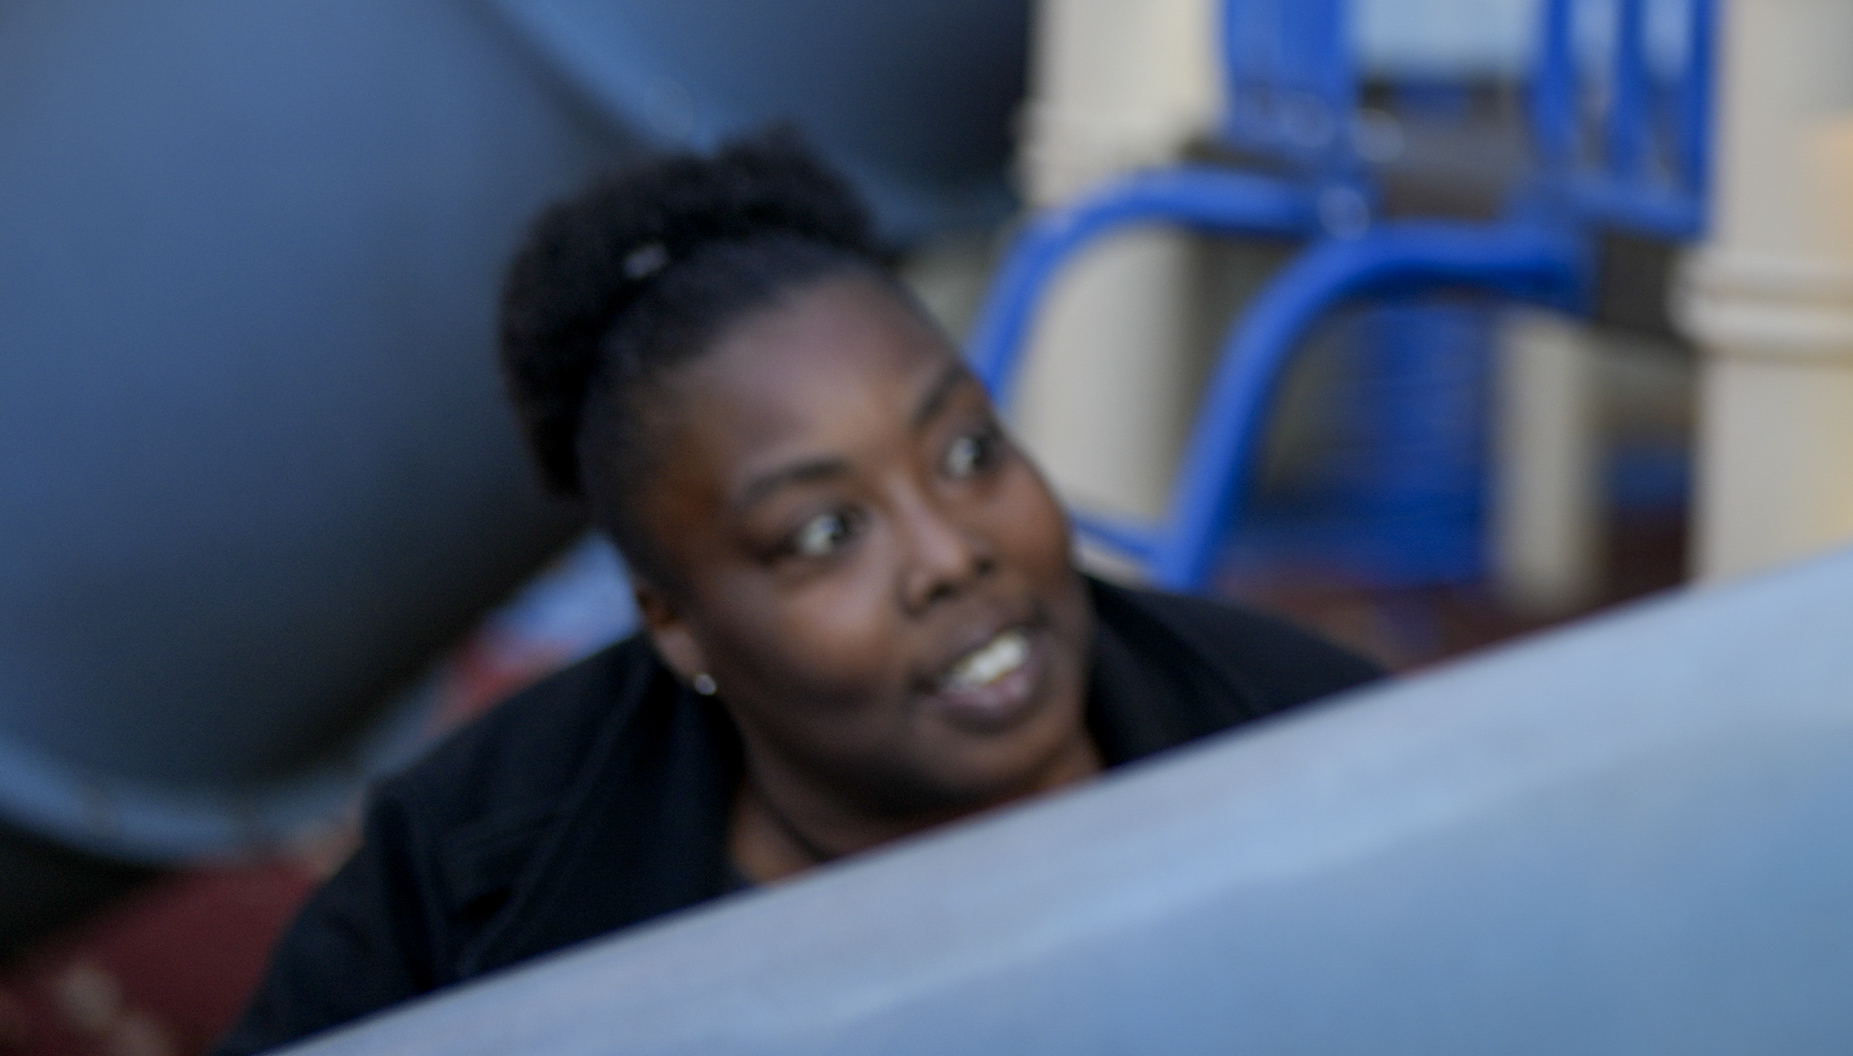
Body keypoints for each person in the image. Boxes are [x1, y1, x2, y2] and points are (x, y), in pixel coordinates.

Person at [224, 133, 1377, 1045]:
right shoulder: (478, 869)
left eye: (968, 455)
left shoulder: (1310, 755)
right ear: (673, 623)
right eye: (826, 532)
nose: (949, 555)